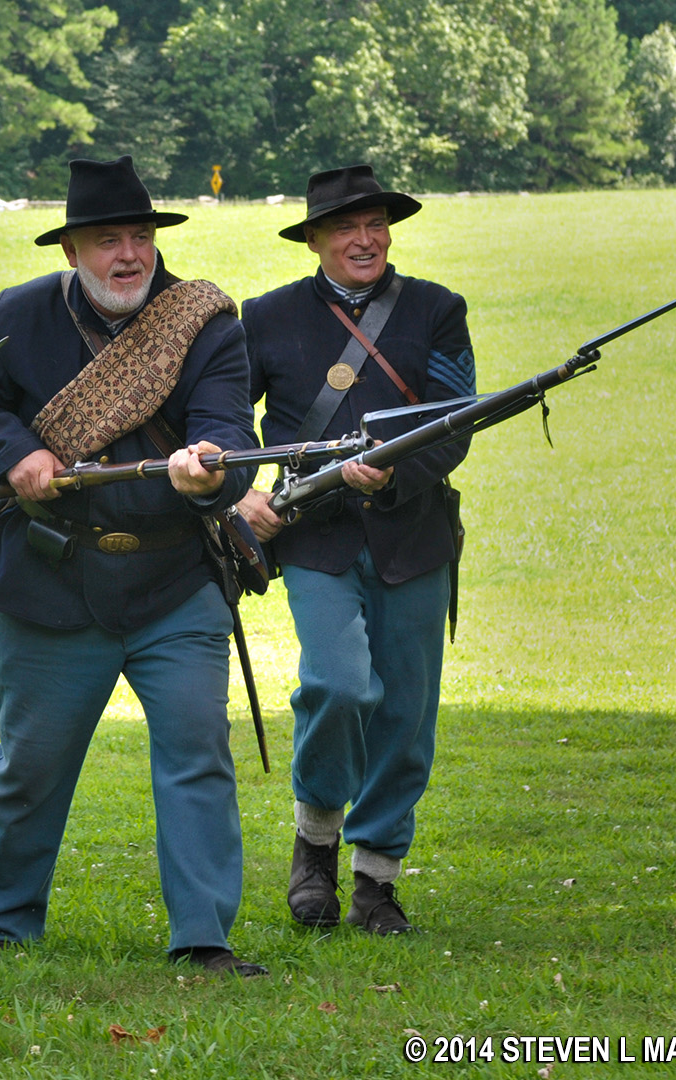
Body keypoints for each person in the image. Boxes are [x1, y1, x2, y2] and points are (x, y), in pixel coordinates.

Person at [0, 156, 265, 976]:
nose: (129, 255)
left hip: (174, 581)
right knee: (32, 763)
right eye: (107, 240)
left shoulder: (206, 324)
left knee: (197, 750)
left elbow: (228, 430)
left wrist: (210, 471)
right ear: (71, 252)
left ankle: (203, 938)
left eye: (141, 237)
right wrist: (18, 455)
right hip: (51, 583)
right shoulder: (17, 318)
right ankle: (6, 929)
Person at [234, 164, 473, 935]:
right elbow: (227, 422)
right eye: (344, 227)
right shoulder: (265, 318)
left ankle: (377, 877)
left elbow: (456, 422)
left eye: (374, 224)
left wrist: (391, 478)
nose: (363, 240)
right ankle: (315, 844)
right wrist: (242, 493)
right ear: (313, 239)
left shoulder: (437, 309)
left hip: (414, 533)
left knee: (405, 712)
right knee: (337, 688)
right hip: (316, 537)